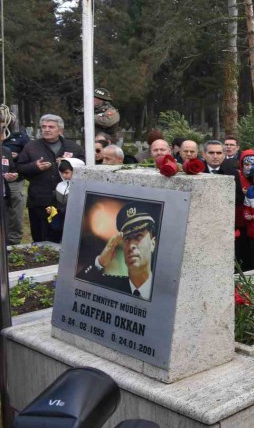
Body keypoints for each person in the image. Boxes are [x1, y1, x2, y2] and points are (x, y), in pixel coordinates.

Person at [16, 114, 84, 242]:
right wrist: (35, 166)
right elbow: (20, 168)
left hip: (67, 201)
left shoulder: (73, 147)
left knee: (67, 238)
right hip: (40, 200)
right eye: (44, 127)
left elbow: (84, 167)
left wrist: (70, 163)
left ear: (60, 130)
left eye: (51, 127)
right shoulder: (31, 146)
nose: (46, 129)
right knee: (41, 237)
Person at [80, 202, 159, 300]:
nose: (131, 246)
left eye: (138, 236)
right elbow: (78, 285)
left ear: (153, 243)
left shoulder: (161, 291)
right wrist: (100, 261)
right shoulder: (113, 285)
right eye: (127, 239)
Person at [234, 149, 254, 270]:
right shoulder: (236, 176)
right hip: (240, 221)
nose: (249, 167)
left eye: (253, 164)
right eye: (246, 164)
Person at [46, 158, 85, 238]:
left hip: (74, 223)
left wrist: (61, 210)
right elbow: (54, 200)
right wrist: (51, 208)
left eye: (67, 172)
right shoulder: (60, 185)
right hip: (59, 221)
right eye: (62, 173)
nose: (64, 175)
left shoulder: (82, 187)